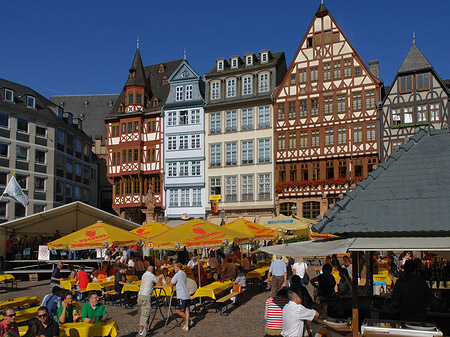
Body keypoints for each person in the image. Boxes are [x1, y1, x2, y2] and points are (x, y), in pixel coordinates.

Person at [137, 266, 161, 336]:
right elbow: (158, 283)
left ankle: (145, 328)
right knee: (145, 313)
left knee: (144, 312)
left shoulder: (144, 275)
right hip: (146, 295)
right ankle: (141, 330)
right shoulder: (152, 275)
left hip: (140, 295)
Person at [171, 262, 192, 332]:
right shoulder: (183, 273)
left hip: (181, 294)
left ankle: (188, 320)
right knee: (186, 309)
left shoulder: (177, 274)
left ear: (178, 268)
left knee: (178, 311)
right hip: (186, 293)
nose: (174, 269)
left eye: (174, 267)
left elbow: (171, 283)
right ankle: (187, 324)